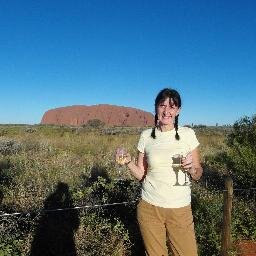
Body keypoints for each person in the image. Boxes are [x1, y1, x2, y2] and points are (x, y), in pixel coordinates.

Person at [115, 88, 203, 256]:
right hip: (149, 208)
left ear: (178, 111)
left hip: (179, 209)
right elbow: (142, 174)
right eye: (162, 105)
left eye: (172, 106)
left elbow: (198, 173)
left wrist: (191, 168)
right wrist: (128, 162)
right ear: (155, 108)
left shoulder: (188, 134)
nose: (166, 111)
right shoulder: (146, 136)